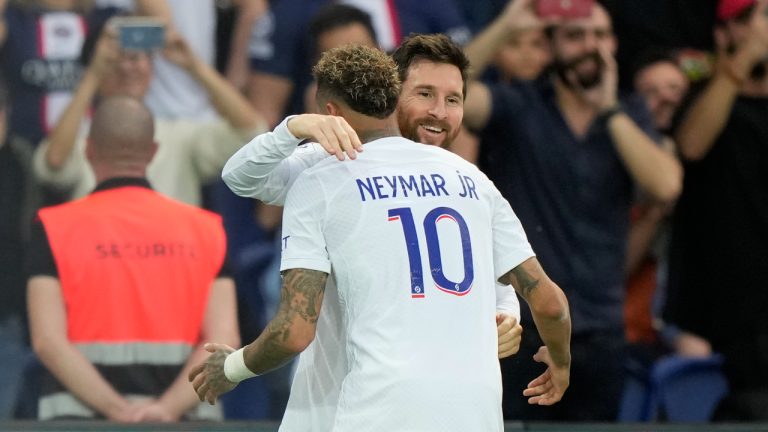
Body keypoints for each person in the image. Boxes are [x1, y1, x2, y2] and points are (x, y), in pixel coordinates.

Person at [190, 43, 571, 432]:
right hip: (412, 412)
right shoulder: (333, 161)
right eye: (425, 94)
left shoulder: (461, 180)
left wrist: (505, 312)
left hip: (370, 409)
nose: (438, 112)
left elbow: (494, 280)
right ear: (393, 93)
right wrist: (292, 129)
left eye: (453, 99)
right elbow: (241, 176)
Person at [462, 0, 683, 421]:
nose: (591, 47)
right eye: (576, 36)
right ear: (551, 47)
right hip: (521, 329)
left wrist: (610, 110)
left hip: (600, 330)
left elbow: (666, 185)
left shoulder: (629, 113)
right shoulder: (520, 106)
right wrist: (508, 25)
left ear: (614, 44)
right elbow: (449, 89)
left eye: (600, 36)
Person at [26, 97, 239, 422]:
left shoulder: (53, 227)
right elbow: (225, 342)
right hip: (184, 420)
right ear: (153, 152)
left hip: (79, 420)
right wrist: (165, 410)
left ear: (88, 150)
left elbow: (47, 342)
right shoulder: (207, 230)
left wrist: (119, 412)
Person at [664, 0, 768, 420]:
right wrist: (742, 59)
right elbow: (692, 144)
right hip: (718, 313)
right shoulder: (699, 94)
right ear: (724, 33)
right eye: (753, 17)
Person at [32, 19, 265, 206]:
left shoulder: (179, 135)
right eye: (117, 58)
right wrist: (93, 74)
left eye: (139, 57)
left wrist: (195, 66)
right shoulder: (80, 132)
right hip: (98, 253)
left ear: (152, 69)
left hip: (168, 255)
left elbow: (252, 132)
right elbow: (55, 163)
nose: (128, 66)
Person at [246, 0, 471, 127]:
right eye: (339, 58)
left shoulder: (420, 104)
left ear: (381, 51)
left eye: (361, 53)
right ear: (317, 66)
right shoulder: (315, 106)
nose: (353, 68)